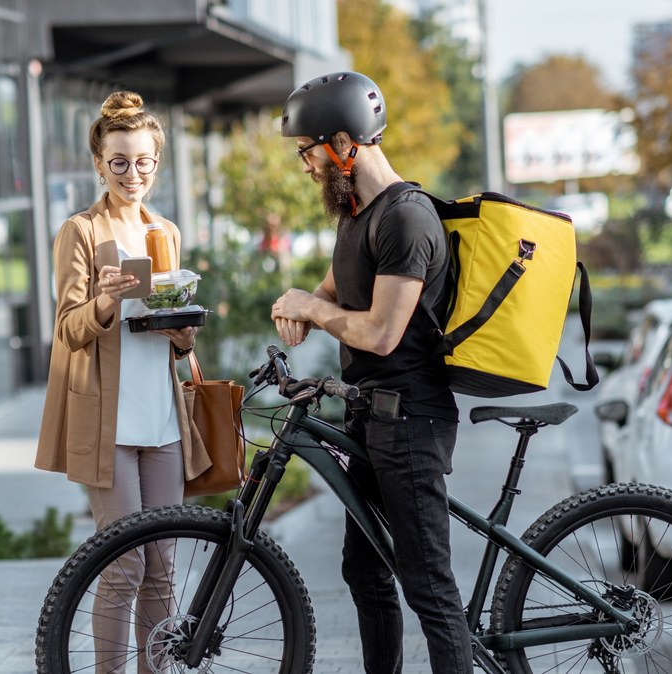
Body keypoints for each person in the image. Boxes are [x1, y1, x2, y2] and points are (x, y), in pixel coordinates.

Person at [270, 72, 473, 673]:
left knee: (429, 587)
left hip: (411, 422)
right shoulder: (357, 215)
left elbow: (382, 333)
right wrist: (302, 303)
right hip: (372, 415)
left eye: (307, 151)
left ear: (342, 142)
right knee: (364, 570)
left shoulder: (406, 219)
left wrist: (315, 309)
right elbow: (336, 291)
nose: (304, 165)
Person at [34, 90, 211, 674]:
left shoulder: (166, 230)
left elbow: (174, 334)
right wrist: (106, 300)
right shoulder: (81, 232)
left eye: (144, 162)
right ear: (98, 164)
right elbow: (67, 329)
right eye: (119, 162)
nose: (133, 174)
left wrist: (185, 333)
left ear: (156, 163)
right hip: (107, 422)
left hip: (163, 418)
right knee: (124, 563)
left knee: (161, 560)